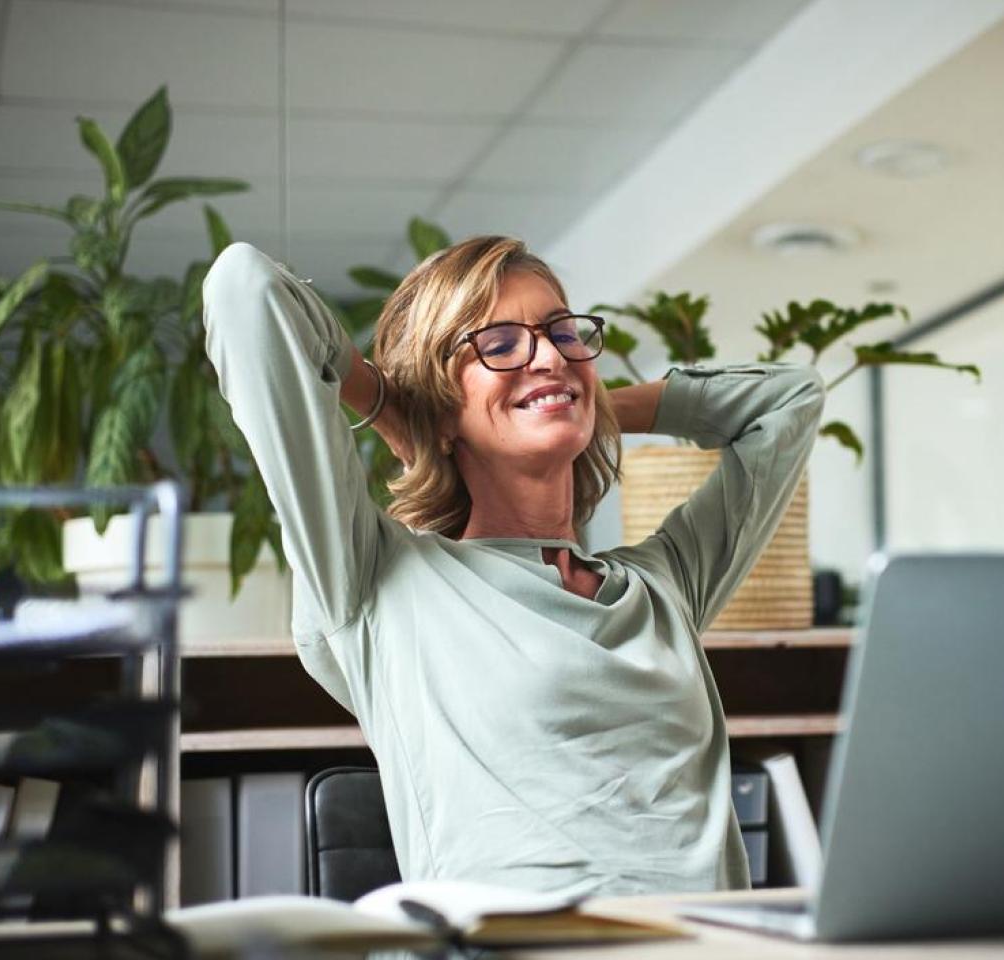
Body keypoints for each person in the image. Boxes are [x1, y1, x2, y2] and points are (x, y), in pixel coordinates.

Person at [202, 236, 824, 896]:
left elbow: (789, 400)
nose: (551, 354)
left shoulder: (663, 584)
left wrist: (592, 403)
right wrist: (398, 407)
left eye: (561, 332)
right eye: (499, 343)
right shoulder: (379, 583)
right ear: (443, 403)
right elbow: (243, 289)